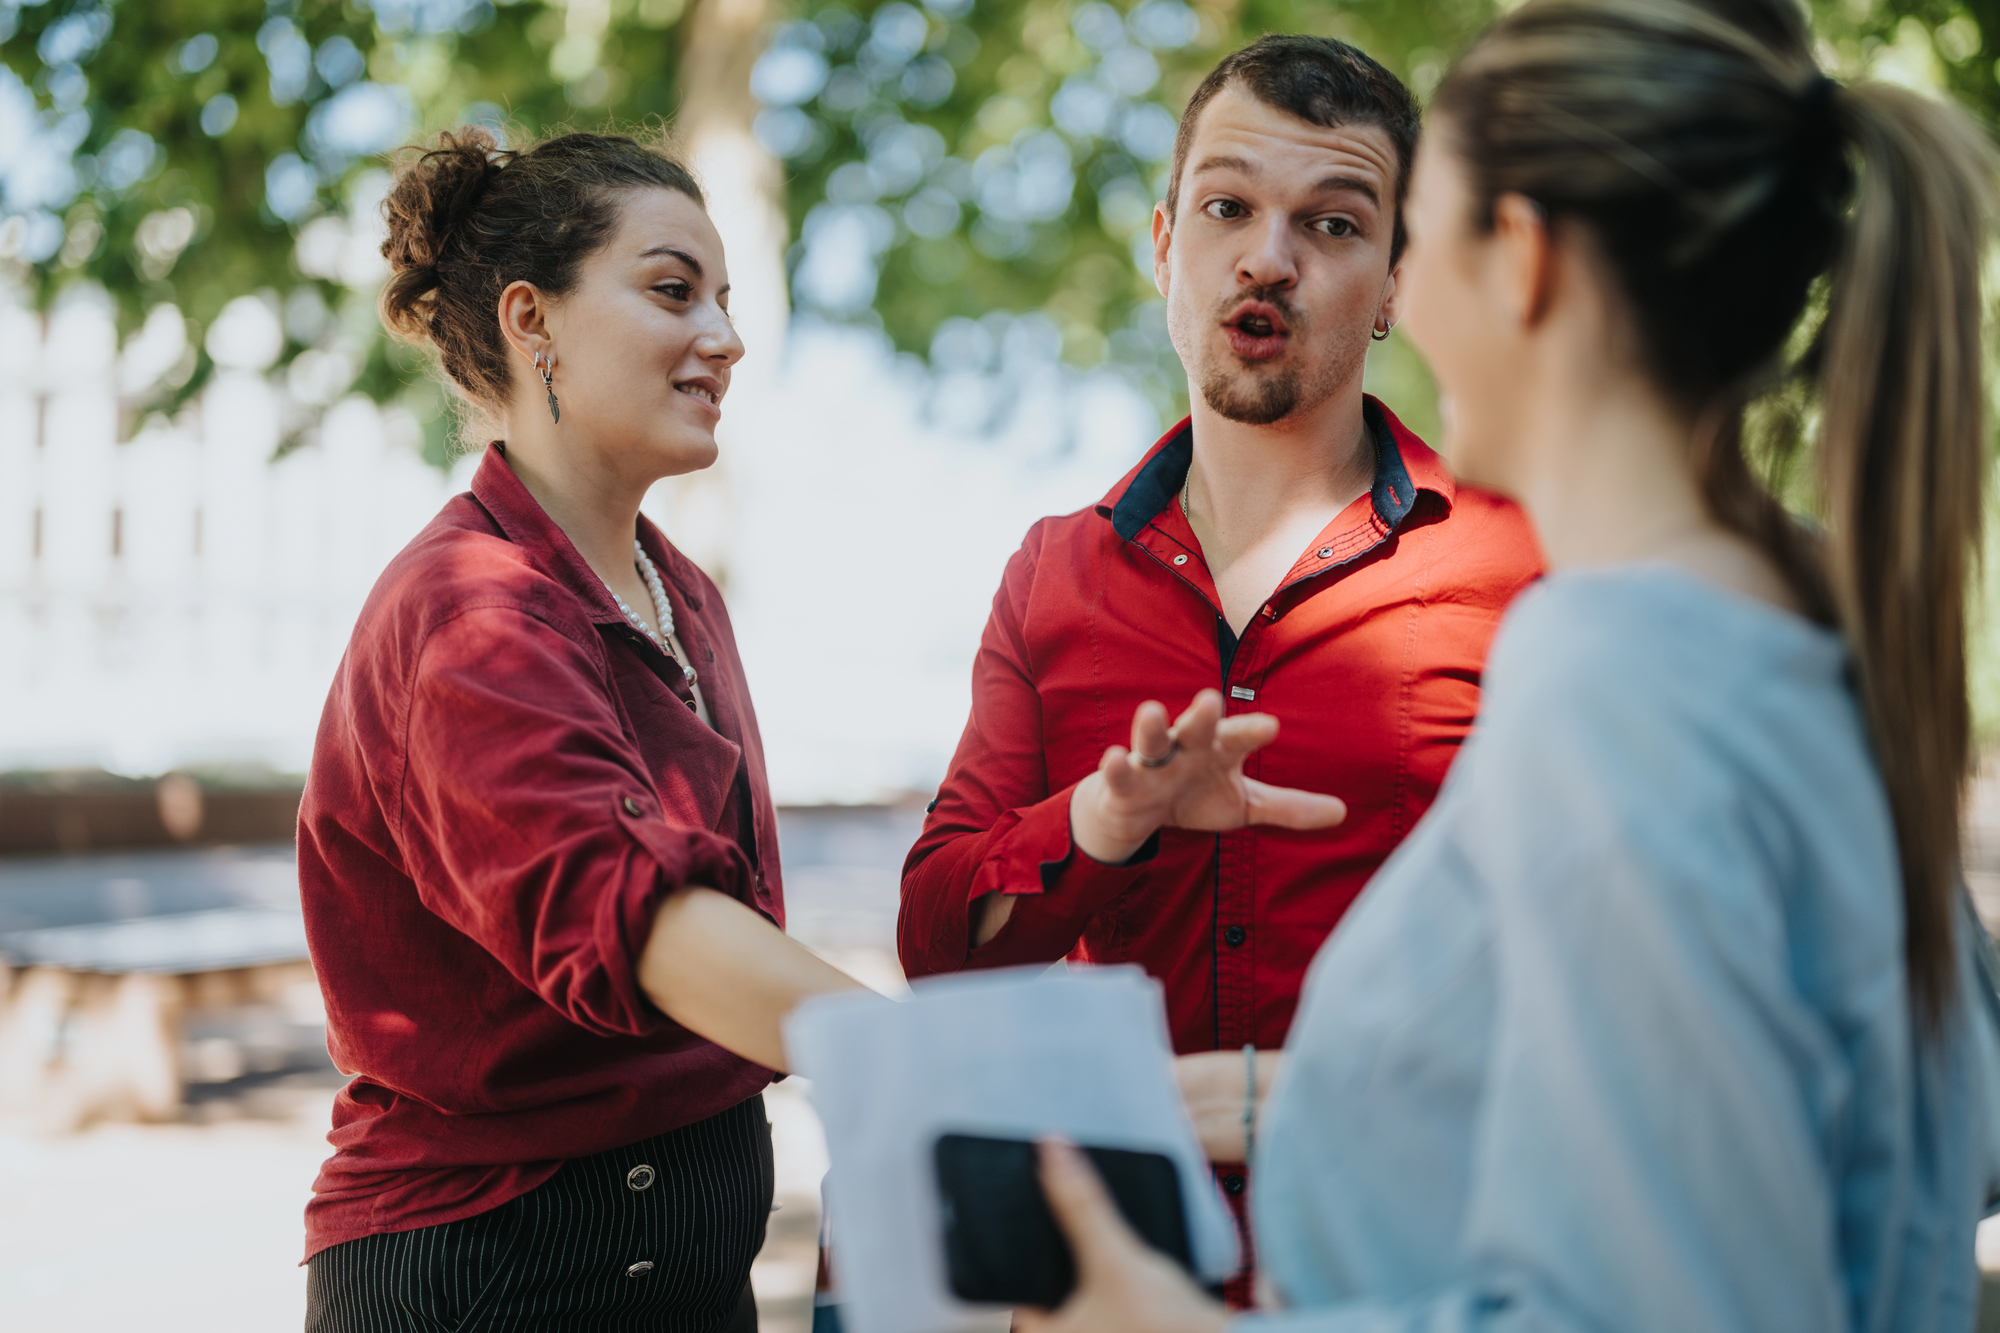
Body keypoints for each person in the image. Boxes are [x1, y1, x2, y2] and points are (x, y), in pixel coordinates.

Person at [1013, 1, 2000, 1330]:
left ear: (1521, 261)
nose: (1392, 291)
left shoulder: (1614, 678)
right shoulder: (1800, 618)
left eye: (1416, 234)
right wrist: (1304, 1098)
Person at [896, 34, 1542, 1295]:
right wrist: (1102, 819)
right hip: (1117, 1286)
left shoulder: (1521, 563)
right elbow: (939, 946)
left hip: (1413, 1277)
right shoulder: (1052, 573)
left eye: (1334, 223)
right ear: (1161, 245)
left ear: (1398, 280)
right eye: (1226, 207)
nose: (1267, 255)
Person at [297, 128, 871, 1332]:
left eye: (725, 298)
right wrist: (918, 1060)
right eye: (673, 290)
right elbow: (628, 911)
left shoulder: (682, 593)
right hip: (498, 1268)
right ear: (531, 319)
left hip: (689, 1259)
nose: (724, 336)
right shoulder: (465, 609)